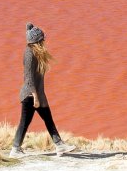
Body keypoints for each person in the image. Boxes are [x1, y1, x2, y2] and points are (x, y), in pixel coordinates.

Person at [9, 22, 77, 157]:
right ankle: (15, 150)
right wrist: (35, 97)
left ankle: (59, 145)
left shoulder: (36, 53)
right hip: (30, 95)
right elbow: (29, 78)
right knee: (24, 122)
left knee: (48, 119)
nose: (44, 41)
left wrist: (40, 96)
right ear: (36, 41)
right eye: (42, 39)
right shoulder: (29, 53)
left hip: (38, 94)